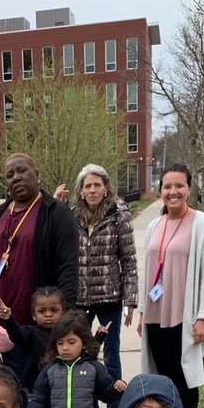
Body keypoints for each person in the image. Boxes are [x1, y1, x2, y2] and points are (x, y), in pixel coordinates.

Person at [137, 163, 204, 408]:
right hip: (156, 309)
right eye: (167, 186)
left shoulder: (201, 224)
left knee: (183, 369)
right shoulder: (155, 225)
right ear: (160, 190)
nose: (173, 192)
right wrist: (142, 310)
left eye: (179, 186)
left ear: (189, 189)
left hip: (183, 312)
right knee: (162, 370)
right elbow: (148, 270)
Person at [0, 155, 80, 343]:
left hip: (38, 328)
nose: (16, 177)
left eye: (22, 170)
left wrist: (65, 320)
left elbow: (68, 270)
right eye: (10, 175)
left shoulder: (57, 214)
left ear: (37, 174)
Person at [66, 164, 138, 387]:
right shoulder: (70, 214)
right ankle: (84, 399)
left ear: (106, 188)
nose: (92, 190)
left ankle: (114, 401)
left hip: (109, 297)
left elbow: (129, 260)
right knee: (78, 352)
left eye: (97, 185)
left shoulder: (118, 214)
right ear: (81, 190)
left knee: (111, 353)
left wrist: (130, 300)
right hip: (79, 300)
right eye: (88, 186)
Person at [30, 310, 126, 408]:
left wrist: (116, 388)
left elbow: (105, 394)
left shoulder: (93, 368)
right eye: (60, 343)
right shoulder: (49, 370)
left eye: (71, 342)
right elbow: (40, 404)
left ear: (84, 343)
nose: (65, 348)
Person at [0, 286, 66, 392]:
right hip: (36, 389)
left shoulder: (68, 333)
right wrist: (9, 319)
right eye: (42, 311)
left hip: (63, 387)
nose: (48, 315)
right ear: (34, 315)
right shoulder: (31, 333)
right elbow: (17, 335)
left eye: (54, 310)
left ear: (63, 313)